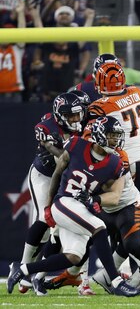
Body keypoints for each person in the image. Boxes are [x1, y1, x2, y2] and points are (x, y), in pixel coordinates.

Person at [7, 117, 140, 297]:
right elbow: (57, 173)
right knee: (98, 227)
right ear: (99, 134)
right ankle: (116, 282)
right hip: (64, 202)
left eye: (117, 136)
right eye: (111, 135)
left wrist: (95, 199)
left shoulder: (115, 162)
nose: (115, 140)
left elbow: (115, 197)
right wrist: (48, 206)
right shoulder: (76, 145)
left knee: (74, 256)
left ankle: (22, 269)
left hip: (81, 207)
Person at [88, 61, 140, 281]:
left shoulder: (100, 106)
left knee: (126, 225)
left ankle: (117, 275)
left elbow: (88, 131)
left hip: (137, 164)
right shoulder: (136, 92)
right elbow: (127, 96)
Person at [16, 93, 86, 295]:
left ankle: (36, 275)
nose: (75, 120)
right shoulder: (46, 126)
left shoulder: (83, 126)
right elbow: (56, 153)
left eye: (77, 115)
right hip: (44, 175)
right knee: (43, 220)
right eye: (71, 116)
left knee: (58, 228)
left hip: (67, 178)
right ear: (60, 115)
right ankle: (22, 268)